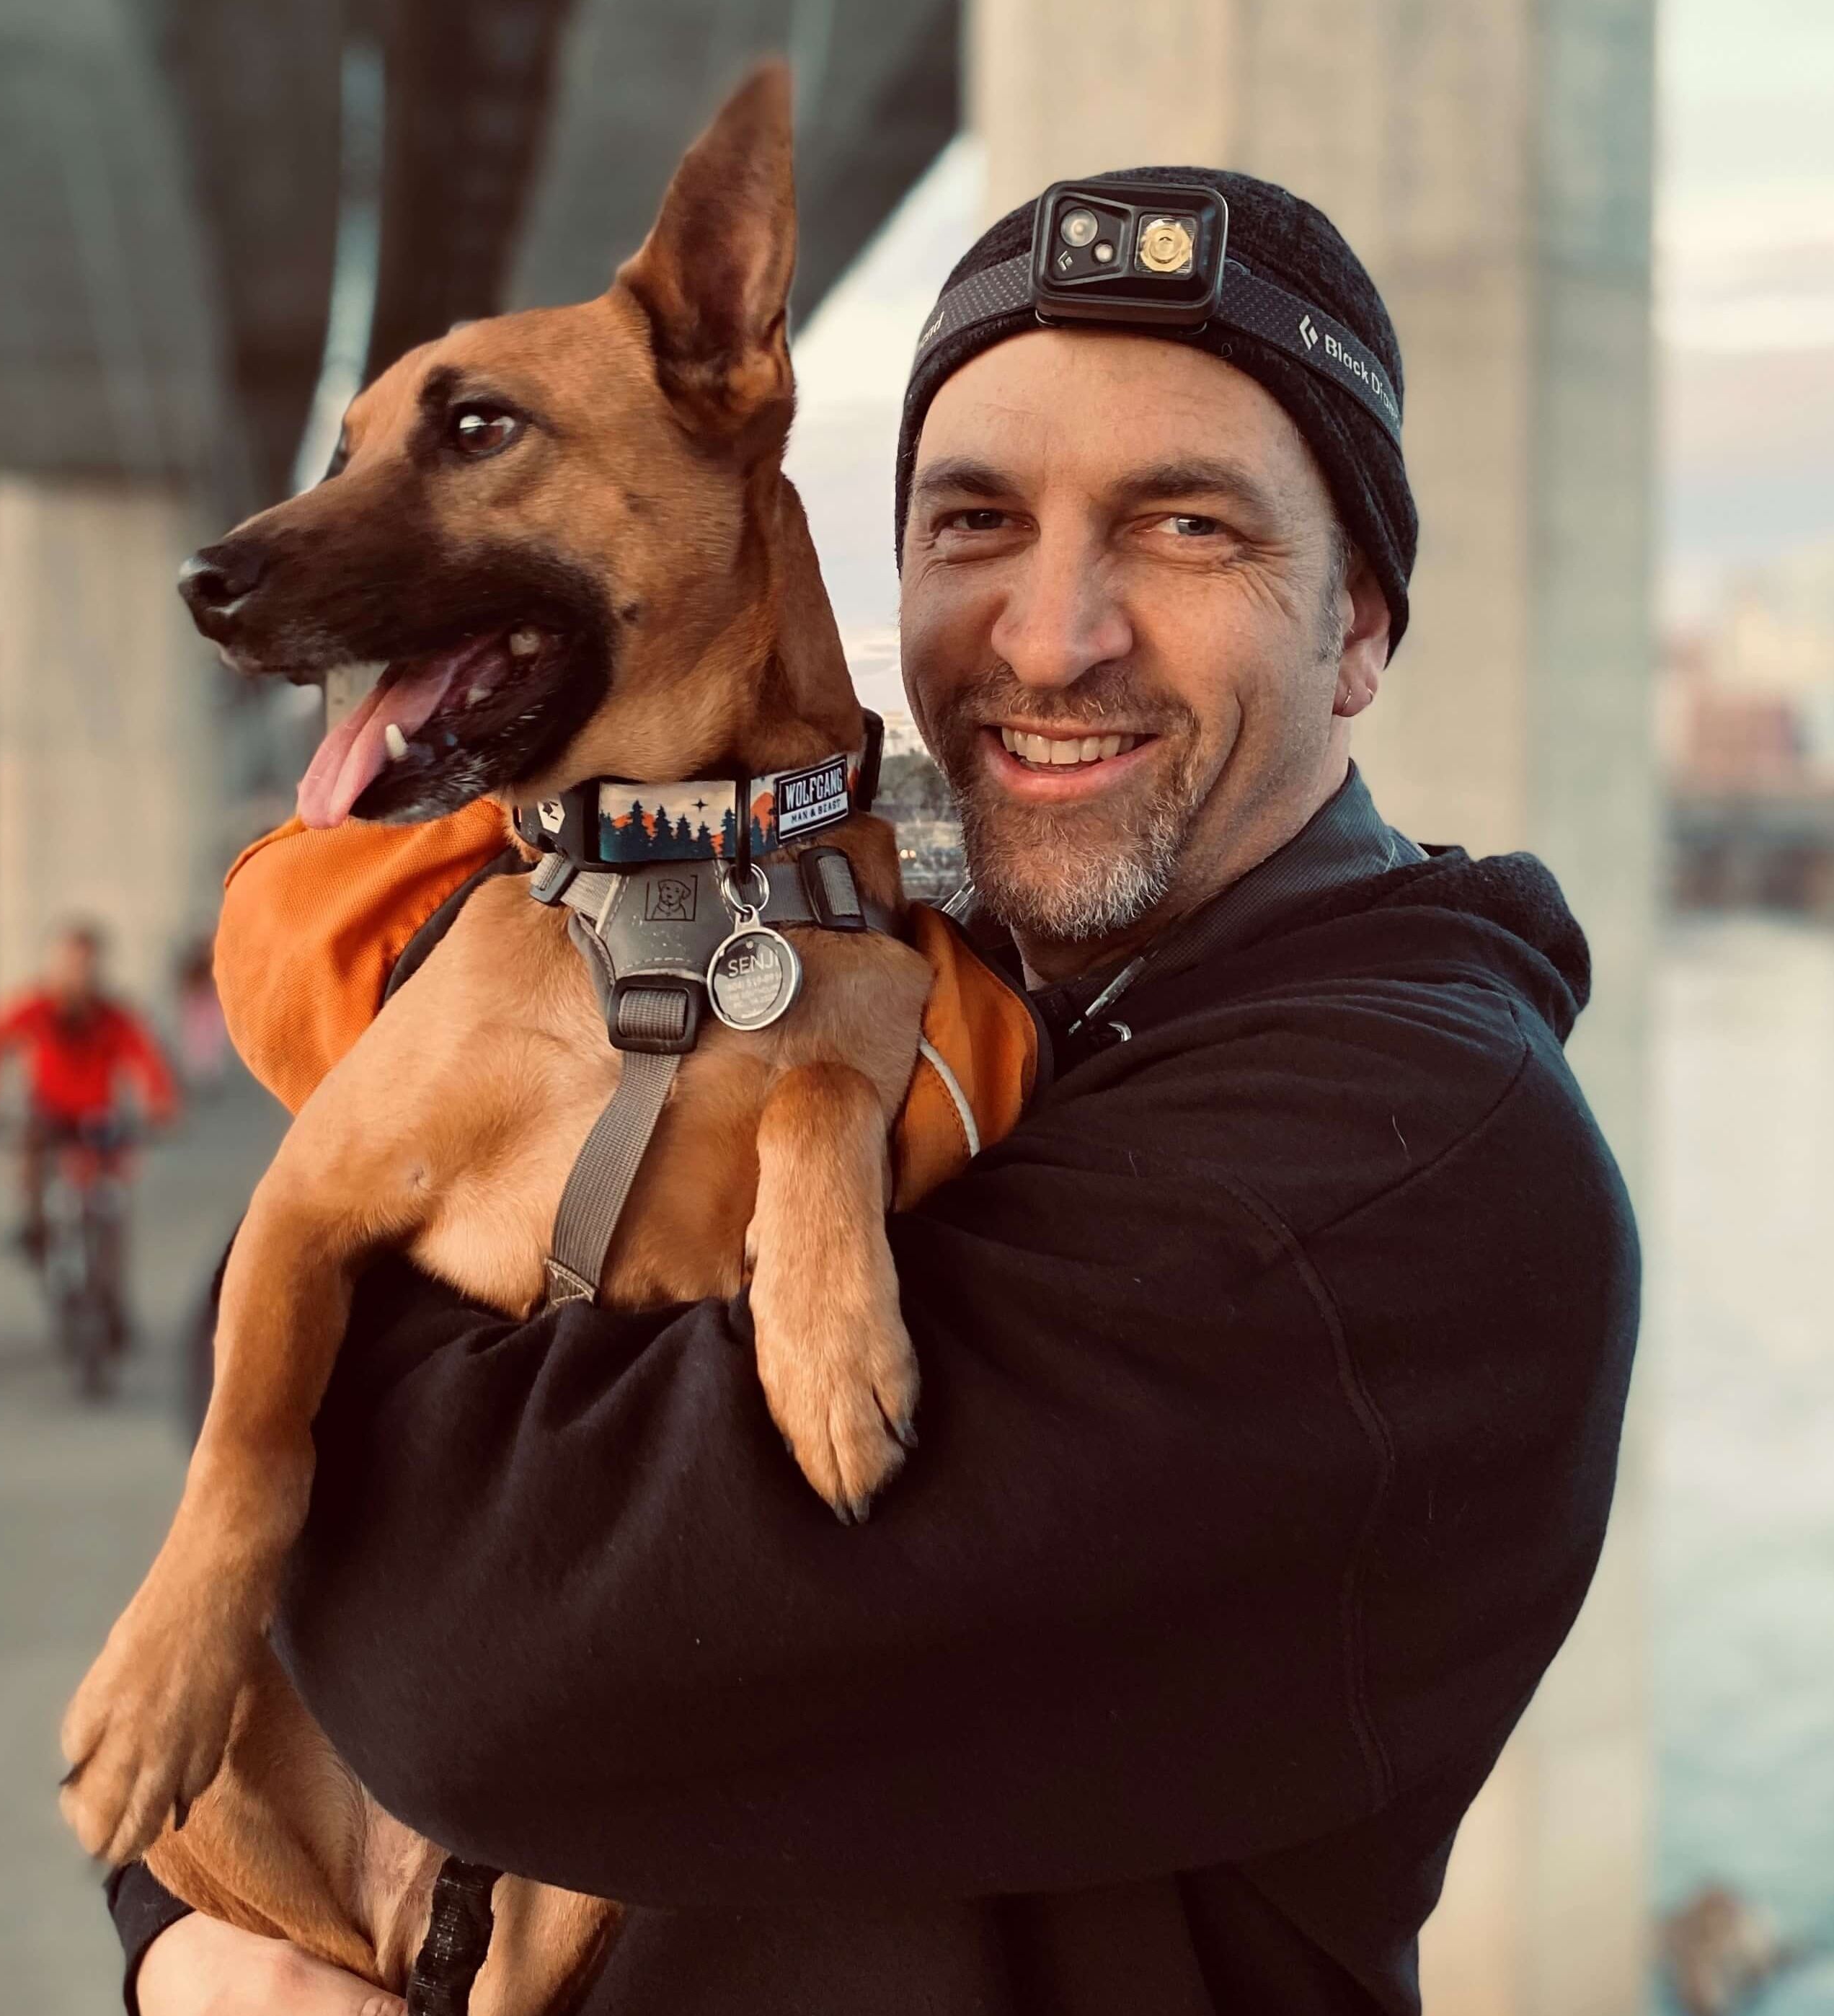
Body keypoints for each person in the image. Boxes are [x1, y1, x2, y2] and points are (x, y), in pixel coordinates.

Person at [116, 167, 1637, 2016]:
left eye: (1185, 526)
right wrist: (189, 1943)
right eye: (976, 520)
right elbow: (256, 1636)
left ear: (1360, 629)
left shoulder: (1402, 1166)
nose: (1053, 634)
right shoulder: (896, 943)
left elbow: (492, 1667)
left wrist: (345, 1225)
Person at [0, 921, 180, 1267]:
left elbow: (148, 1062)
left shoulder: (114, 1017)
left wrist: (161, 1105)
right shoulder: (36, 1008)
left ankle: (110, 1275)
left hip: (99, 1118)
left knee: (115, 1193)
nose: (77, 975)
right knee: (27, 1161)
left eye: (85, 965)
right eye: (69, 964)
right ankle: (33, 1228)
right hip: (48, 1115)